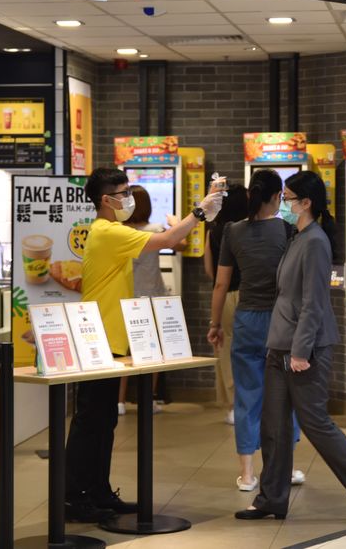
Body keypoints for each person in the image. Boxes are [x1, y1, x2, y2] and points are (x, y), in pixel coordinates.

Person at [65, 167, 223, 523]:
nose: (128, 198)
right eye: (122, 193)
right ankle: (74, 497)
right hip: (98, 338)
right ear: (105, 200)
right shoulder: (107, 232)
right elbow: (167, 241)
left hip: (111, 338)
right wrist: (199, 212)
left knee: (104, 420)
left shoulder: (113, 231)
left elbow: (167, 238)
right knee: (90, 419)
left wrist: (197, 215)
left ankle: (99, 491)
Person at [237, 170, 346, 526]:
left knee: (315, 423)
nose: (282, 204)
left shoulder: (315, 242)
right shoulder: (297, 237)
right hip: (279, 346)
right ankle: (272, 497)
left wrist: (301, 351)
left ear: (306, 204)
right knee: (273, 424)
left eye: (288, 198)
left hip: (306, 349)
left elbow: (314, 304)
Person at [208, 170, 304, 491]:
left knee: (247, 395)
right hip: (281, 321)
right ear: (278, 197)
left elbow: (221, 283)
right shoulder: (289, 230)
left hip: (247, 318)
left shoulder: (233, 232)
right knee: (285, 394)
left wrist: (214, 324)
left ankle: (248, 475)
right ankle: (285, 469)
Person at [117, 185, 182, 416]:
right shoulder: (155, 230)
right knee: (153, 351)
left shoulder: (120, 232)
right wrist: (174, 223)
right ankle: (149, 400)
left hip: (126, 298)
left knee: (125, 352)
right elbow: (181, 243)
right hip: (152, 298)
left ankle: (120, 402)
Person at [204, 182, 248, 426]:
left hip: (226, 295)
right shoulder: (250, 229)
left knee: (225, 349)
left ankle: (233, 406)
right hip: (252, 295)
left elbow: (211, 272)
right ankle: (252, 401)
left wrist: (214, 320)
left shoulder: (215, 231)